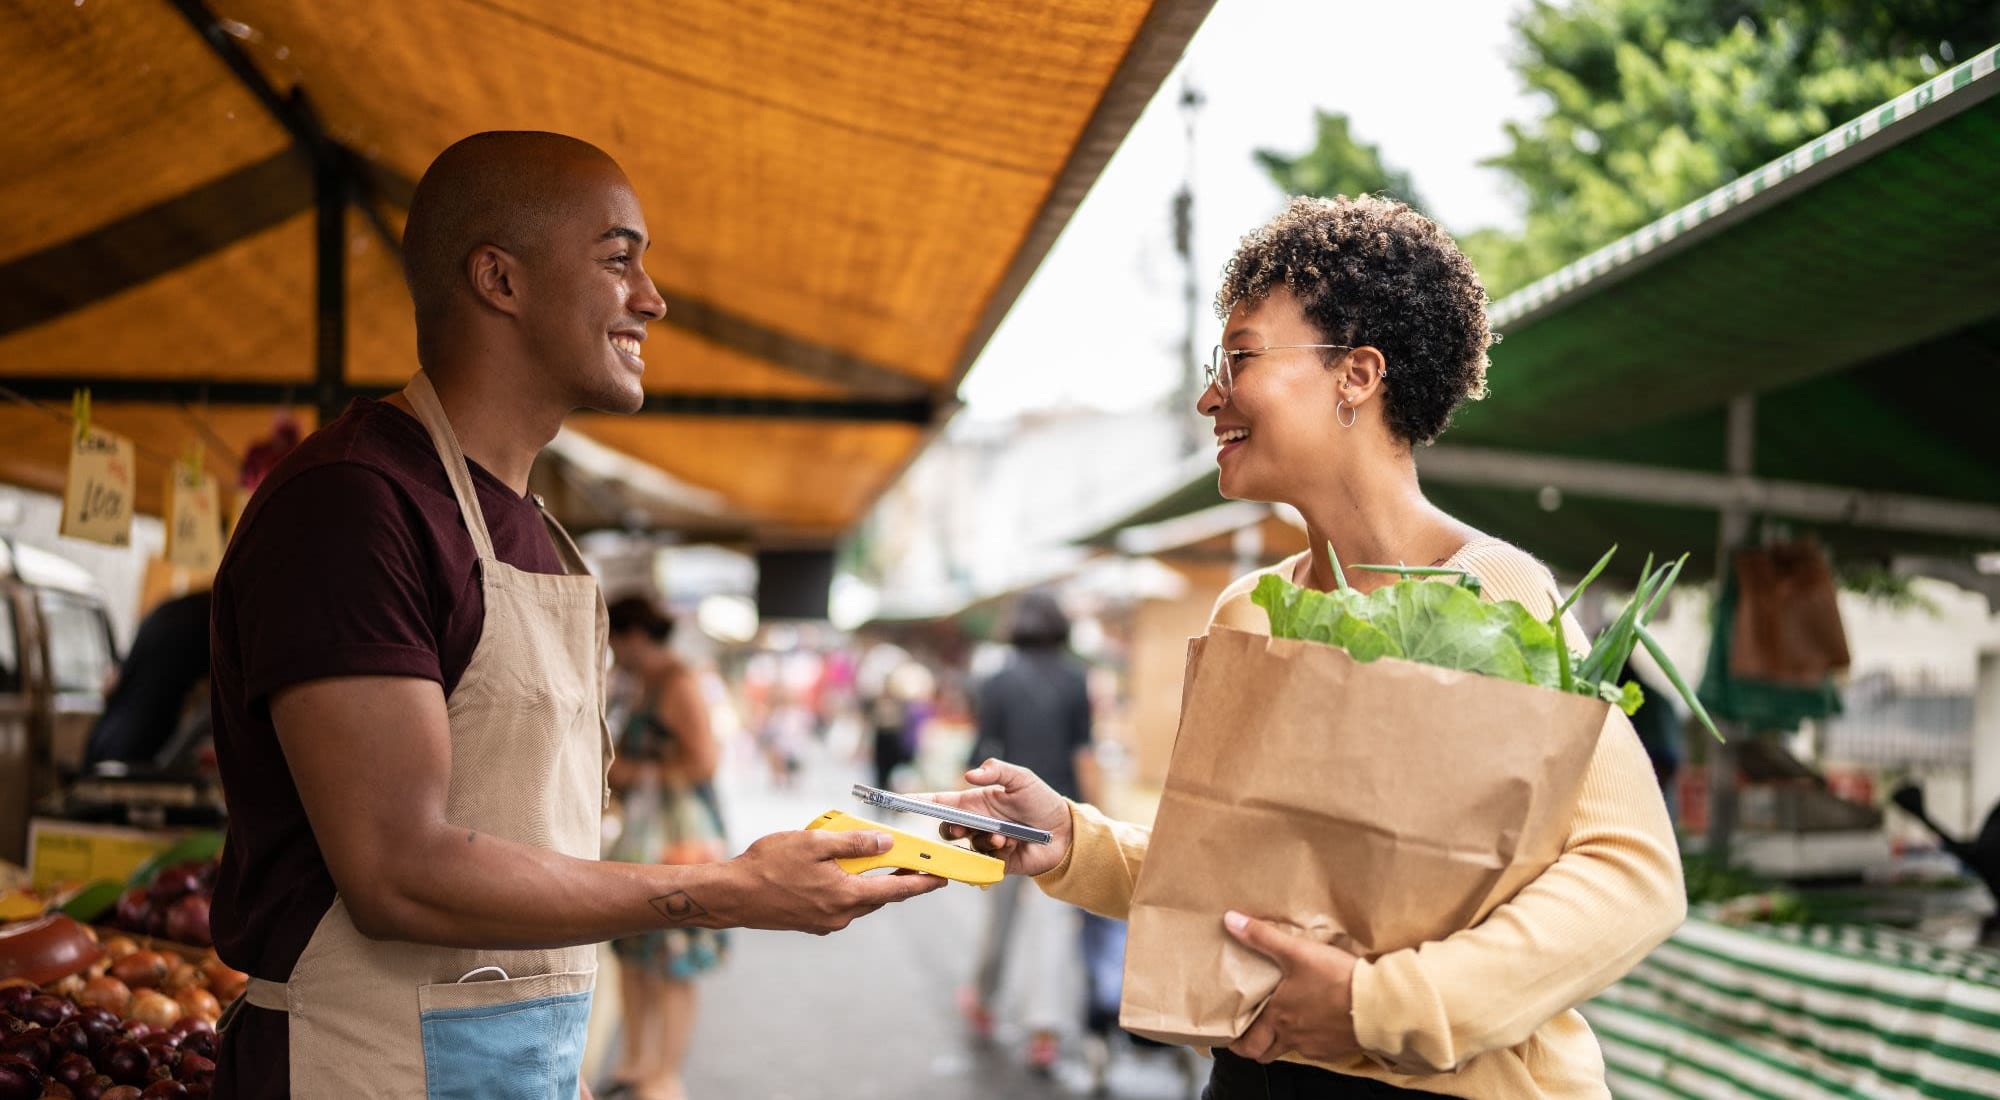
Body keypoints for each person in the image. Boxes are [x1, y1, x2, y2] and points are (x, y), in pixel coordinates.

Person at [207, 131, 943, 1100]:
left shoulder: (540, 534)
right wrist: (728, 889)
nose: (652, 296)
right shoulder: (353, 502)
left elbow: (527, 839)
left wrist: (552, 1061)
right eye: (617, 257)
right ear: (498, 279)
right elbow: (396, 870)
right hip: (360, 1065)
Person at [925, 196, 1684, 1099]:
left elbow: (1631, 874)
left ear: (1355, 375)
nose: (1211, 395)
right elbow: (1233, 884)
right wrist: (1071, 841)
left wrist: (1381, 1003)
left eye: (1240, 357)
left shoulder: (1494, 589)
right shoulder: (1252, 611)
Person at [958, 591, 1098, 1072]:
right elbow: (1084, 754)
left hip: (1006, 817)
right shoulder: (1077, 678)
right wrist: (1097, 815)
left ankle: (982, 1000)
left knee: (999, 918)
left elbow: (978, 754)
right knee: (1053, 926)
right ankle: (1044, 1032)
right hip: (1062, 817)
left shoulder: (997, 680)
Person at [602, 596, 727, 1100]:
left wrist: (635, 773)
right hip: (643, 833)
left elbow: (704, 762)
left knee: (674, 956)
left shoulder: (677, 683)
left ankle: (664, 1075)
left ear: (634, 636)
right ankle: (637, 1062)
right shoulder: (639, 684)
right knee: (633, 950)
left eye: (615, 638)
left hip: (679, 833)